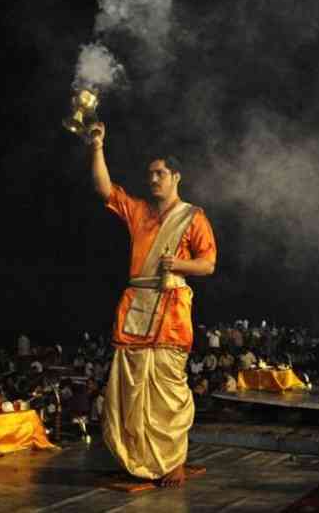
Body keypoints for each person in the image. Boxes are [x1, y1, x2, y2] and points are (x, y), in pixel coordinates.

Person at [89, 122, 217, 488]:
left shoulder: (193, 217)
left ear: (177, 176)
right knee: (128, 390)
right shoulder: (139, 211)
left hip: (172, 311)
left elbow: (208, 264)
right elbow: (103, 190)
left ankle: (171, 461)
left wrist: (179, 265)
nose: (154, 179)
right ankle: (138, 462)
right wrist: (97, 146)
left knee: (166, 389)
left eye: (161, 173)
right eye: (150, 175)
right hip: (137, 306)